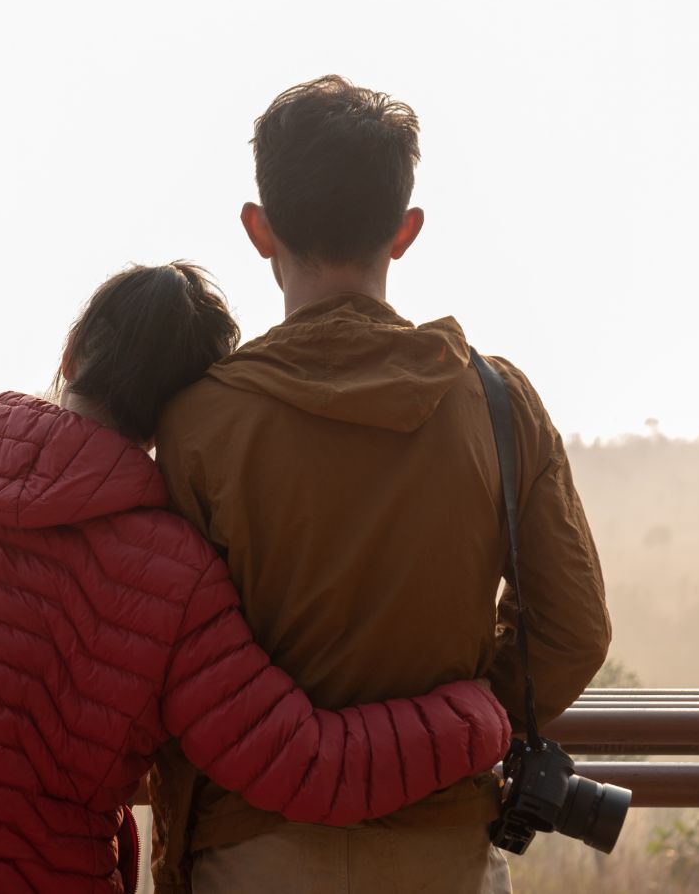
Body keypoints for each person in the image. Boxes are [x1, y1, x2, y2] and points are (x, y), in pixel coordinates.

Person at [0, 262, 512, 894]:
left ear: (72, 354)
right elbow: (302, 762)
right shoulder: (170, 572)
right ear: (181, 411)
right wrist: (479, 717)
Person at [148, 77, 612, 893]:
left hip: (251, 847)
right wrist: (455, 727)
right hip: (444, 846)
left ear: (259, 230)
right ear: (404, 231)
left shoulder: (197, 423)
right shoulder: (498, 404)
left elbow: (167, 653)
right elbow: (572, 628)